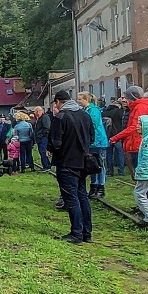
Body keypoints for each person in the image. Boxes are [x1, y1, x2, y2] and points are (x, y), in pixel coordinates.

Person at [48, 90, 94, 244]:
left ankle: (76, 233)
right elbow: (92, 137)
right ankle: (87, 233)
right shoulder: (85, 115)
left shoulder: (60, 117)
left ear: (58, 102)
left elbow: (55, 143)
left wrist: (52, 150)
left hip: (66, 162)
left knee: (71, 198)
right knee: (82, 196)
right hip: (82, 162)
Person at [110, 86, 148, 213]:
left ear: (133, 97)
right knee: (141, 179)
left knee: (143, 180)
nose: (125, 100)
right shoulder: (137, 107)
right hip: (135, 144)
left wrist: (116, 137)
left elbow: (133, 127)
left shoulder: (139, 108)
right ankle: (145, 206)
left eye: (127, 97)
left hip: (137, 145)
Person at [77, 92, 108, 198]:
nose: (78, 101)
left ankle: (101, 187)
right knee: (91, 164)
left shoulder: (93, 110)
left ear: (86, 100)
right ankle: (94, 185)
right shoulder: (86, 110)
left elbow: (92, 125)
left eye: (80, 99)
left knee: (99, 164)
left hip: (98, 141)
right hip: (91, 142)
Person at [102, 97, 125, 176]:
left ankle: (110, 171)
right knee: (120, 153)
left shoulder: (105, 112)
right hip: (118, 135)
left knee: (109, 154)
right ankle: (121, 171)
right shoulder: (119, 112)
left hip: (108, 135)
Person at [33, 106, 52, 171]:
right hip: (40, 138)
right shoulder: (40, 118)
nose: (35, 113)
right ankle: (45, 165)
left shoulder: (45, 117)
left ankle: (47, 166)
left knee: (43, 152)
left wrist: (41, 135)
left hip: (43, 138)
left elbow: (46, 128)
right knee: (41, 152)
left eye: (35, 112)